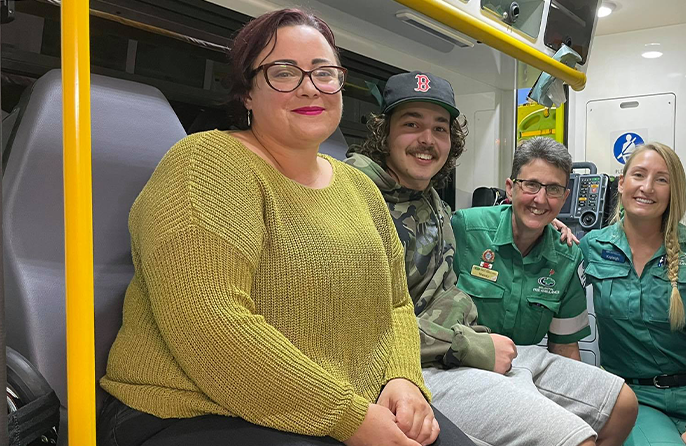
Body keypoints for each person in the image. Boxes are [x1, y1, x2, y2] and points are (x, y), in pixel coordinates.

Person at [98, 9, 474, 446]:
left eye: (323, 73)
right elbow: (209, 321)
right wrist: (347, 417)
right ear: (247, 94)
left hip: (348, 404)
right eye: (283, 72)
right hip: (192, 409)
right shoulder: (207, 164)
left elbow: (395, 307)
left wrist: (405, 379)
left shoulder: (359, 188)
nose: (309, 87)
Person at [346, 72, 638, 446]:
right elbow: (364, 327)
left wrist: (558, 234)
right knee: (574, 439)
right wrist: (475, 348)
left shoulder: (435, 206)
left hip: (485, 349)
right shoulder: (363, 199)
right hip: (437, 361)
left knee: (623, 404)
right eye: (411, 124)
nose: (427, 139)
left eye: (440, 128)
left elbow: (564, 345)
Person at [580, 142, 686, 446]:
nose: (647, 187)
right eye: (639, 175)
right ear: (622, 183)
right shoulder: (592, 247)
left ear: (673, 191)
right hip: (635, 399)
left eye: (661, 180)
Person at [451, 137, 591, 355]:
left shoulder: (568, 258)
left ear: (564, 198)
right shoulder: (465, 230)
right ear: (510, 188)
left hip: (519, 371)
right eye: (532, 185)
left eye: (553, 189)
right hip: (456, 363)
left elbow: (564, 346)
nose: (541, 199)